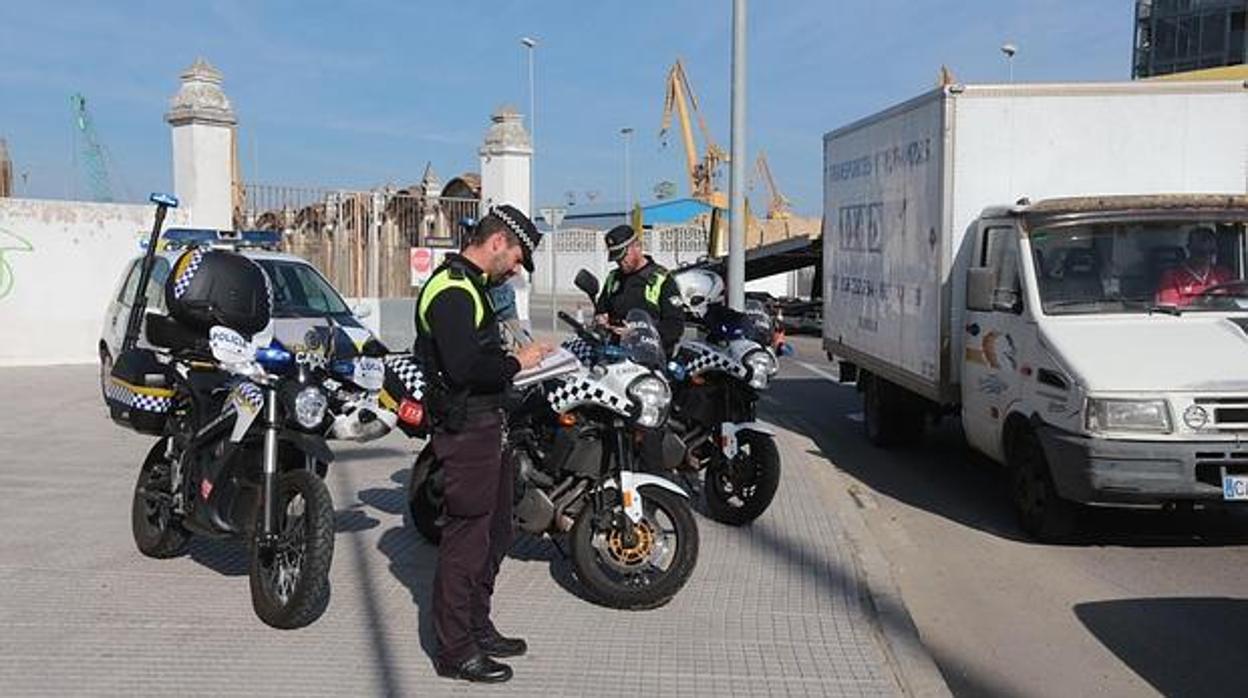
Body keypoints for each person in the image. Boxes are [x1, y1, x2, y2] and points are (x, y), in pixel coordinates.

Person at [415, 203, 551, 684]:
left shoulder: (474, 287)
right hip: (466, 429)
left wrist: (526, 360)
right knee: (466, 542)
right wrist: (520, 362)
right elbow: (465, 368)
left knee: (495, 534)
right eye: (515, 258)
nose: (515, 269)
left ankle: (476, 625)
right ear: (497, 243)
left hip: (489, 426)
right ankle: (455, 650)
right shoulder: (452, 290)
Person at [594, 224, 685, 354]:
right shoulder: (614, 278)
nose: (620, 262)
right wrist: (601, 319)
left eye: (623, 256)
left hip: (650, 357)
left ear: (637, 246)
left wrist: (637, 334)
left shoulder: (661, 279)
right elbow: (601, 309)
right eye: (616, 259)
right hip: (616, 354)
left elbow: (675, 326)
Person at [1155, 227, 1234, 306]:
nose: (1207, 256)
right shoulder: (1171, 276)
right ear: (1189, 249)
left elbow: (1240, 300)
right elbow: (1169, 307)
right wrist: (1199, 302)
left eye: (1211, 252)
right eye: (1201, 252)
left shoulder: (1224, 274)